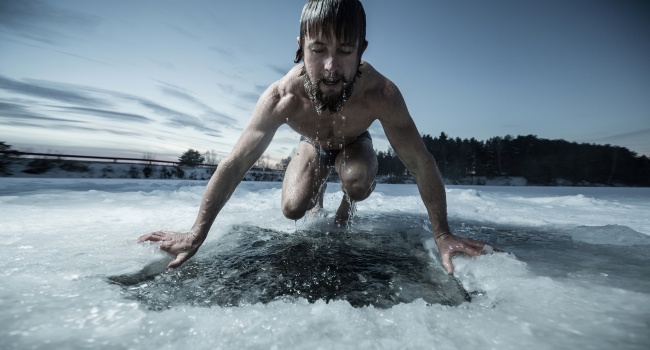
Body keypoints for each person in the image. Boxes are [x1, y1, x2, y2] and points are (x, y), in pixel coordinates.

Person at [138, 0, 492, 275]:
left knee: (354, 181)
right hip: (313, 144)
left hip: (355, 144)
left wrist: (443, 235)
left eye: (345, 51)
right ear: (301, 46)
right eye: (318, 49)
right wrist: (196, 232)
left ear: (362, 50)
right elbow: (236, 162)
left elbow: (418, 160)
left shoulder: (381, 94)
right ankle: (320, 182)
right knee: (293, 209)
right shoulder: (282, 97)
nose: (331, 67)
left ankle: (346, 197)